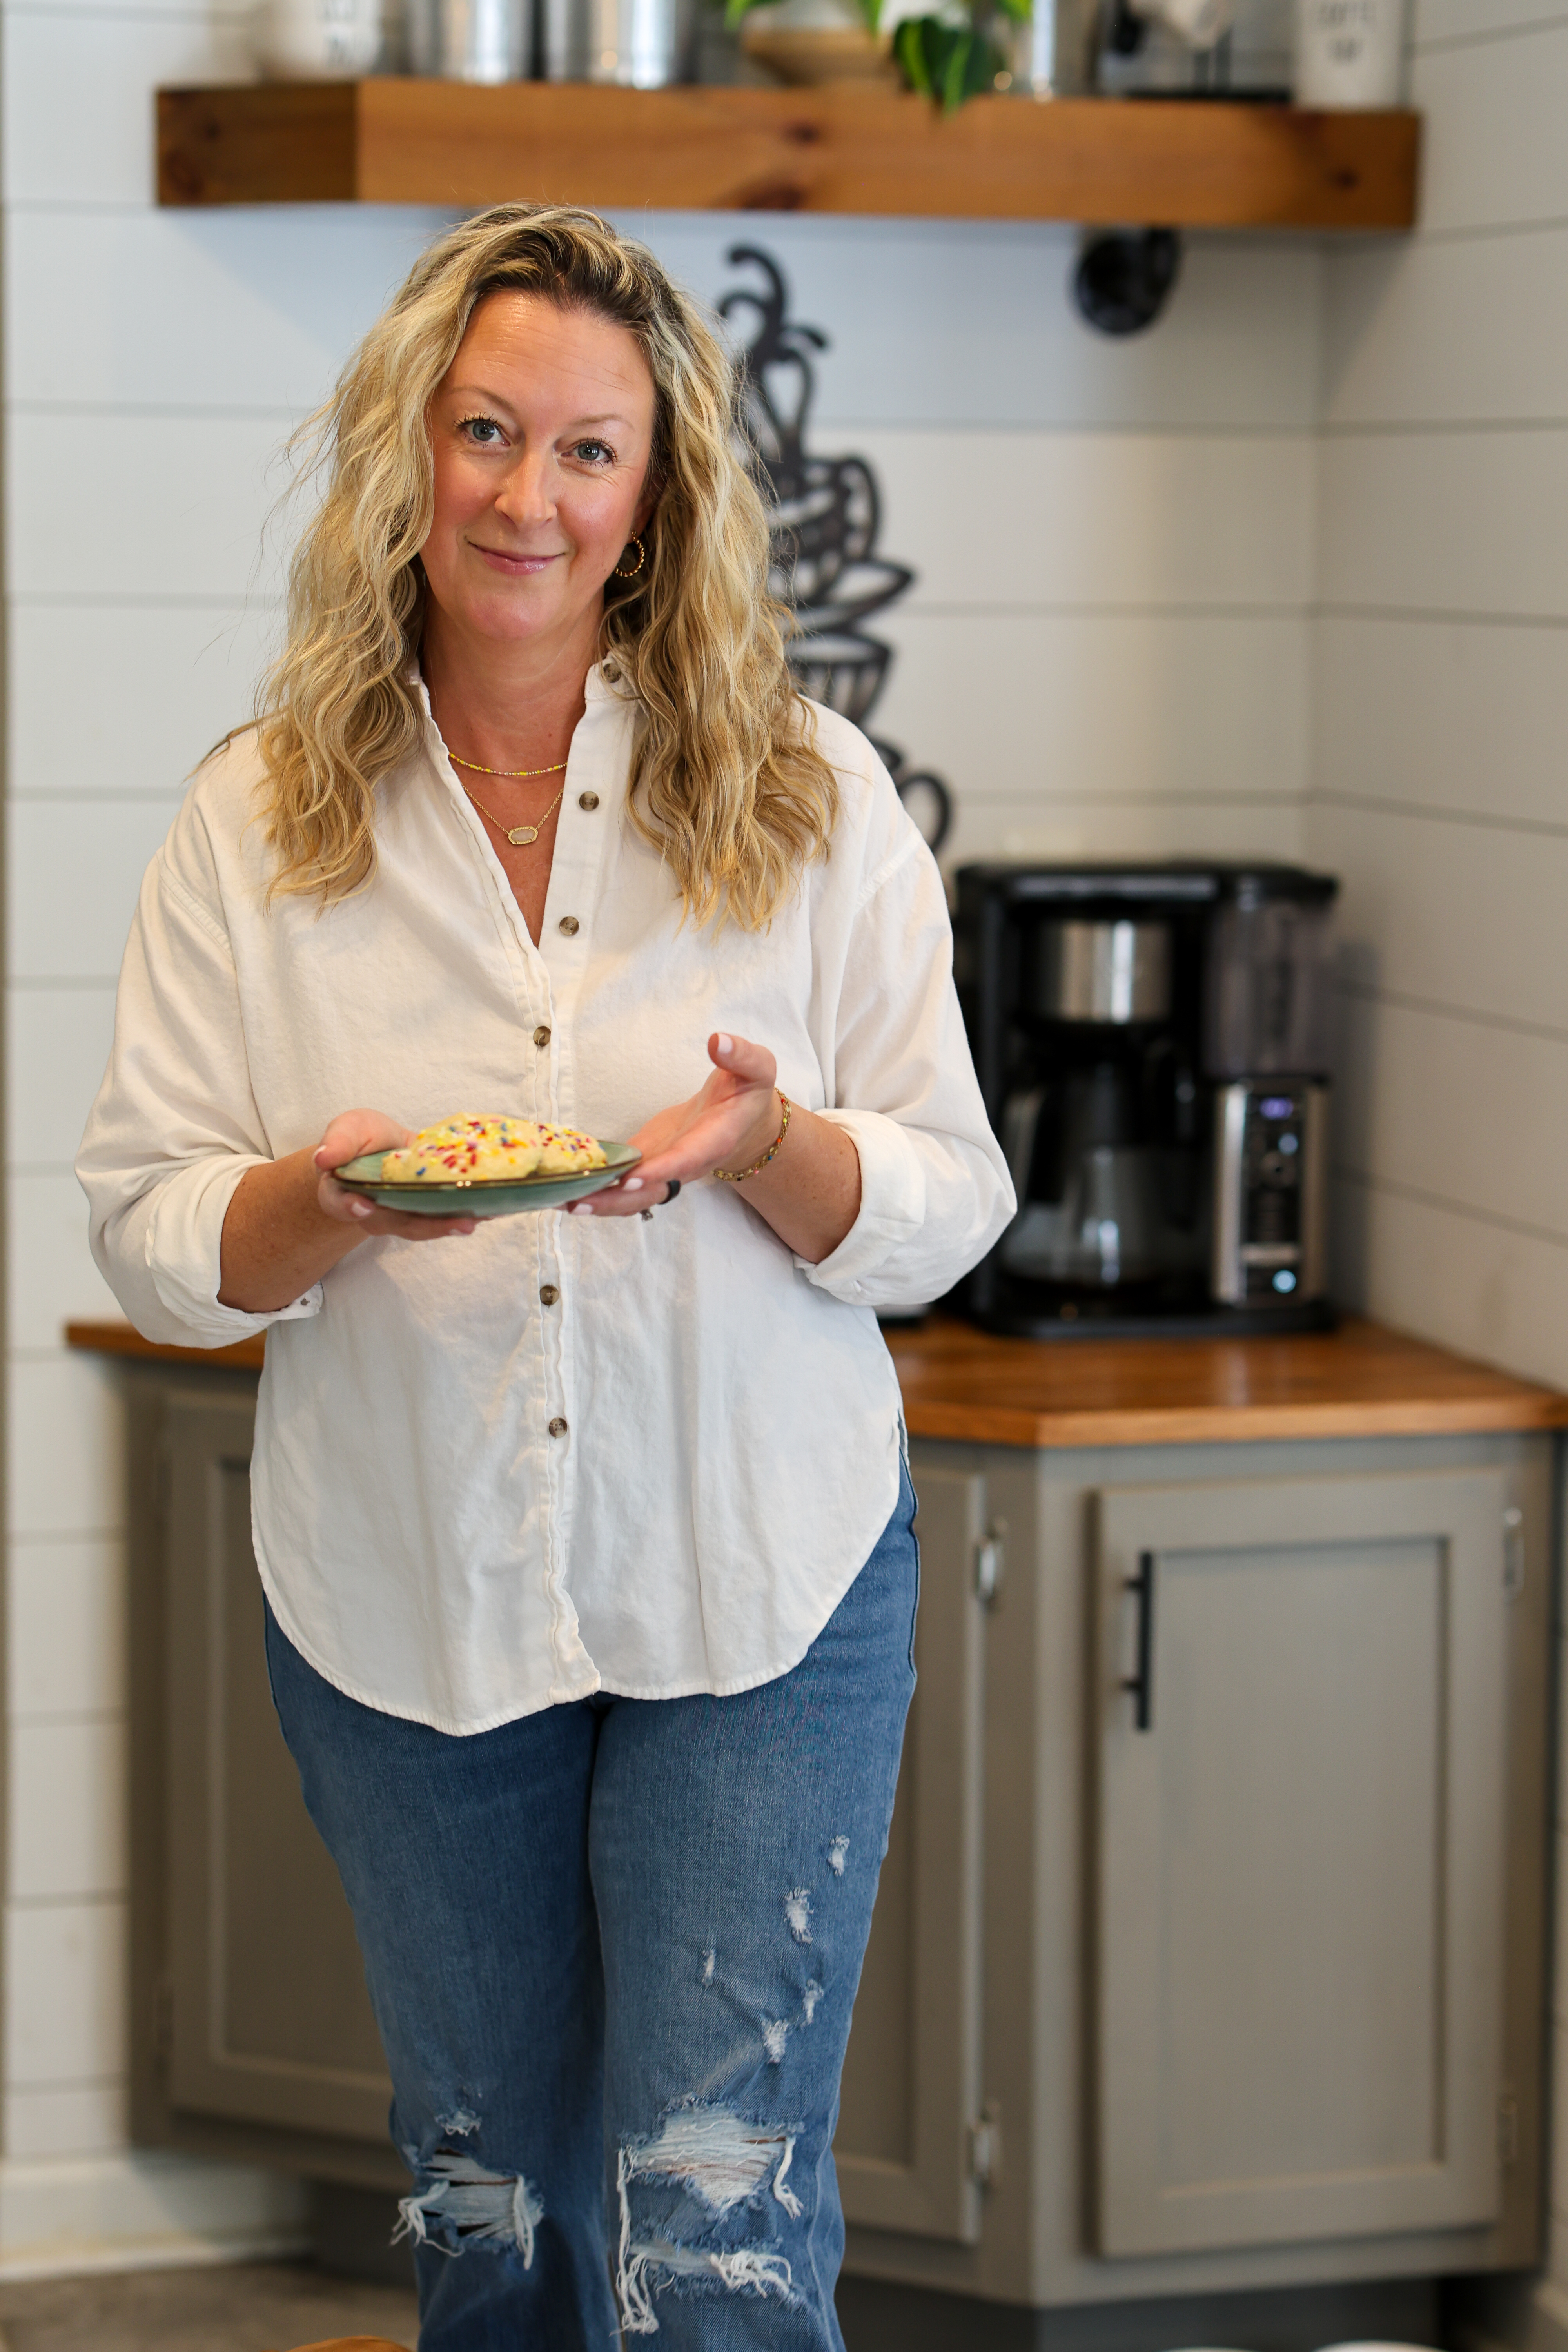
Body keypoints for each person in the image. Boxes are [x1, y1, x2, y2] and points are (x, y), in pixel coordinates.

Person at [77, 205, 1012, 2350]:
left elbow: (955, 1201)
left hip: (757, 1579)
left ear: (657, 496)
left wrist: (770, 1143)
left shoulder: (806, 799)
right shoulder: (257, 822)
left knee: (718, 2241)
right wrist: (328, 1206)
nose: (528, 494)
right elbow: (148, 1232)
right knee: (493, 2220)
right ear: (409, 450)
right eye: (486, 432)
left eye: (589, 452)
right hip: (411, 1592)